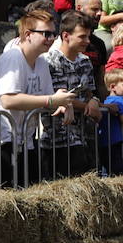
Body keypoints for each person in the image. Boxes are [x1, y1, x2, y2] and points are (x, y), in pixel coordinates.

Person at [0, 9, 77, 187]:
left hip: (24, 137)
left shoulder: (41, 61)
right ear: (28, 34)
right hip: (0, 135)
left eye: (53, 34)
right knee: (3, 188)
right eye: (46, 34)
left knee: (27, 186)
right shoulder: (13, 57)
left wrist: (62, 104)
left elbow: (48, 98)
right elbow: (8, 100)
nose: (52, 39)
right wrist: (52, 101)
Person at [41, 10, 101, 179]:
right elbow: (57, 98)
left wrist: (94, 101)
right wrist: (88, 106)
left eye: (88, 36)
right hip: (57, 138)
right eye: (82, 37)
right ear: (66, 36)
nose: (87, 41)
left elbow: (89, 91)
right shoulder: (49, 61)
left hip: (85, 136)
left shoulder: (85, 61)